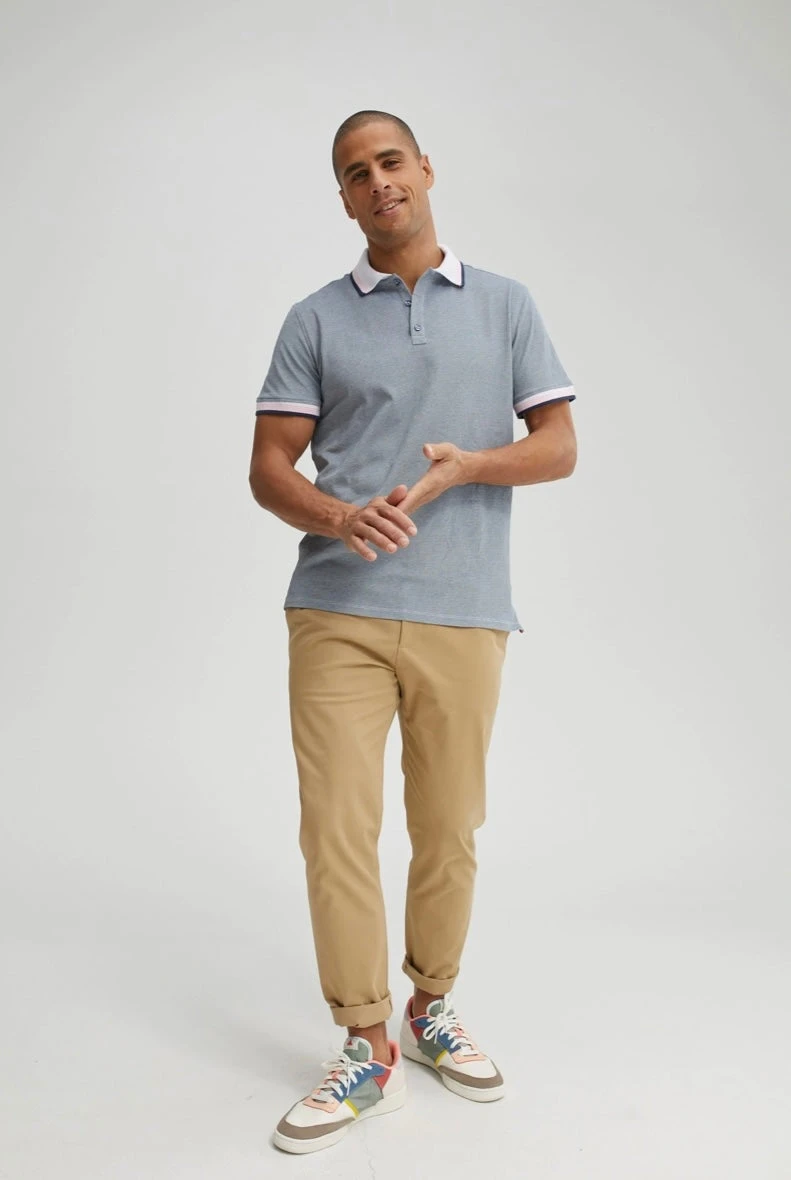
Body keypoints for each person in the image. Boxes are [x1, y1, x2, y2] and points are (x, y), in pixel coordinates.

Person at [248, 109, 577, 1155]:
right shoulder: (312, 319)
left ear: (425, 169)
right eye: (355, 172)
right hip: (335, 608)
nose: (377, 181)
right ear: (343, 199)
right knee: (335, 828)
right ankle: (365, 1046)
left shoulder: (506, 304)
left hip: (464, 605)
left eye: (389, 161)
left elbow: (558, 445)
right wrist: (337, 515)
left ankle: (430, 1008)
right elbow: (268, 468)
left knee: (448, 826)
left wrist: (470, 465)